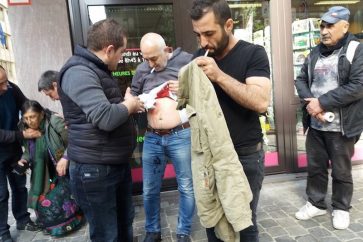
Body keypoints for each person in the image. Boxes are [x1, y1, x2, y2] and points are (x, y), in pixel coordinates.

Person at [190, 0, 271, 241]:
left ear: (228, 25)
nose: (203, 42)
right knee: (213, 221)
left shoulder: (253, 53)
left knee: (243, 224)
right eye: (198, 35)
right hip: (209, 156)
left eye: (209, 33)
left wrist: (218, 75)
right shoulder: (199, 55)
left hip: (244, 156)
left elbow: (260, 101)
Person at [58, 19, 144, 242]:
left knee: (124, 224)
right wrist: (130, 105)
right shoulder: (78, 72)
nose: (122, 57)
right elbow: (104, 117)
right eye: (122, 52)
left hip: (112, 164)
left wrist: (124, 105)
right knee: (107, 234)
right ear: (109, 49)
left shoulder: (96, 69)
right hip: (95, 170)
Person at [294, 6, 363, 230]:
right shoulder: (315, 52)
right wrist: (312, 105)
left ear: (345, 26)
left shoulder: (356, 50)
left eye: (330, 26)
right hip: (316, 124)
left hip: (341, 126)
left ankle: (341, 207)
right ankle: (316, 203)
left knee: (342, 170)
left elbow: (358, 86)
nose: (324, 31)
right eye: (322, 26)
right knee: (315, 167)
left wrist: (321, 102)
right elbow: (301, 80)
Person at [131, 33, 195, 242]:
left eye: (154, 58)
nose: (150, 63)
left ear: (166, 49)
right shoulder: (142, 69)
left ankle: (183, 231)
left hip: (181, 133)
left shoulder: (186, 60)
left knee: (186, 186)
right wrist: (135, 103)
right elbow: (131, 95)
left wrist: (186, 89)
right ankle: (153, 231)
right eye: (146, 58)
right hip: (152, 137)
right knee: (149, 188)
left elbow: (205, 90)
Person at [17, 100, 83, 236]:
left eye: (32, 117)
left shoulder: (54, 122)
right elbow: (28, 151)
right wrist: (24, 159)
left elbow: (73, 142)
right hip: (42, 173)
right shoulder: (25, 129)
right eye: (26, 118)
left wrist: (65, 158)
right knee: (44, 200)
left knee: (67, 195)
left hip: (60, 166)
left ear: (41, 114)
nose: (29, 121)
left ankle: (72, 220)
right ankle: (51, 224)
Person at [0, 65, 40, 242]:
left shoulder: (11, 88)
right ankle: (2, 232)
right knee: (1, 194)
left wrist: (46, 116)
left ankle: (23, 219)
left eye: (6, 80)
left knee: (19, 186)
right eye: (0, 83)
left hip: (13, 150)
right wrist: (21, 134)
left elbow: (27, 106)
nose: (5, 86)